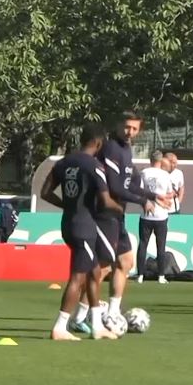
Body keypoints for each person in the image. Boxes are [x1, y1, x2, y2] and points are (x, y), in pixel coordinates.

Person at [39, 124, 123, 341]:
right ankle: (60, 327)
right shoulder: (94, 166)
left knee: (94, 272)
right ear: (99, 143)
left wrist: (68, 205)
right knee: (78, 277)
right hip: (84, 227)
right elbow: (105, 201)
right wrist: (120, 208)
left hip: (69, 223)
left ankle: (97, 327)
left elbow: (45, 193)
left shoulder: (63, 162)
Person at [91, 112, 171, 317]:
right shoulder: (111, 148)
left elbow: (130, 185)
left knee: (125, 262)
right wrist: (143, 201)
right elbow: (115, 187)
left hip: (118, 215)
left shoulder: (126, 150)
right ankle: (81, 314)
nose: (130, 132)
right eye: (127, 127)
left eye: (135, 128)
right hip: (104, 213)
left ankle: (113, 312)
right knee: (104, 266)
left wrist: (154, 196)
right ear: (118, 125)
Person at [136, 151, 174, 284]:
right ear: (161, 160)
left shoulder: (144, 173)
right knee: (161, 246)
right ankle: (161, 276)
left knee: (143, 244)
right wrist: (164, 198)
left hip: (146, 214)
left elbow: (140, 192)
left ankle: (140, 275)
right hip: (161, 215)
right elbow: (170, 193)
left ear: (150, 160)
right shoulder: (165, 174)